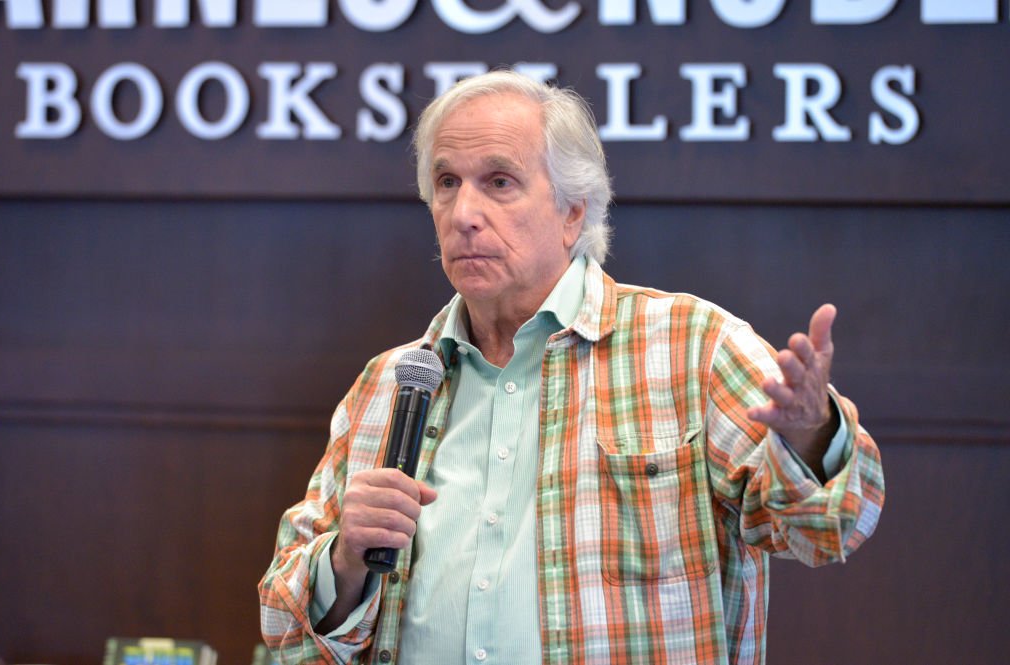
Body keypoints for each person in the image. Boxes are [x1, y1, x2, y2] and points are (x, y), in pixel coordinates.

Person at [258, 70, 884, 665]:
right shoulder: (387, 384)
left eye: (499, 181)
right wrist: (342, 561)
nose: (464, 213)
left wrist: (809, 433)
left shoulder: (693, 347)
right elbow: (284, 626)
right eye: (447, 183)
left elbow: (830, 528)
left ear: (573, 211)